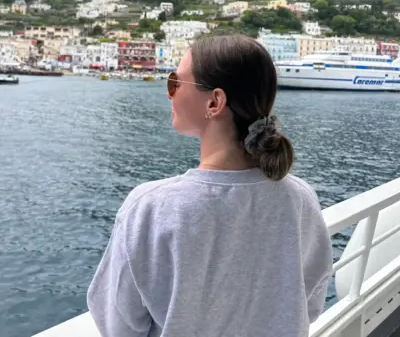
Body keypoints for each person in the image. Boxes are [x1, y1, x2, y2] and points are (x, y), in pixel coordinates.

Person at [87, 34, 333, 337]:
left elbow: (118, 325)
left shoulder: (150, 207)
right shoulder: (299, 199)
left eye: (176, 82)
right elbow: (309, 301)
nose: (170, 93)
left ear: (214, 101)